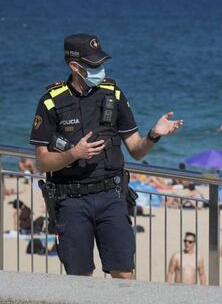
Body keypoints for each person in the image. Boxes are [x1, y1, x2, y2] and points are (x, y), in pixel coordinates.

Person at [29, 33, 183, 279]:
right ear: (74, 66)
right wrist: (72, 154)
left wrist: (154, 135)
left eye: (100, 63)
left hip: (111, 197)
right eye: (93, 65)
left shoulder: (114, 94)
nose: (99, 69)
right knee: (81, 280)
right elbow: (41, 160)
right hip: (71, 200)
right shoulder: (51, 102)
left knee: (124, 275)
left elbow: (135, 148)